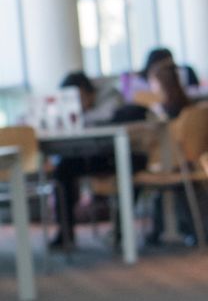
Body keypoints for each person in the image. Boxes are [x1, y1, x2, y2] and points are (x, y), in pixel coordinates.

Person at [49, 71, 149, 248]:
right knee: (62, 170)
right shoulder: (76, 106)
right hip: (91, 155)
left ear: (86, 91)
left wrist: (77, 116)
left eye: (78, 98)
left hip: (120, 153)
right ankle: (65, 233)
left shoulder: (110, 95)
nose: (77, 104)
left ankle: (120, 231)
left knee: (130, 171)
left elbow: (107, 114)